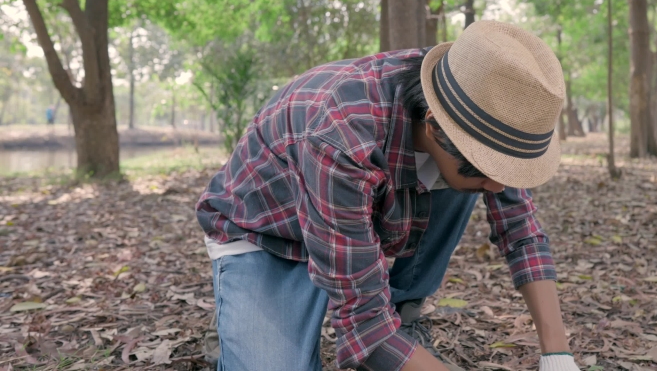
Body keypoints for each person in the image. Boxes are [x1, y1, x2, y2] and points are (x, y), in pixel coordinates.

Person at [196, 21, 580, 371]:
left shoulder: (482, 100)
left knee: (465, 181)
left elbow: (521, 232)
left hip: (354, 224)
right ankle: (239, 311)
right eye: (486, 169)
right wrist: (374, 332)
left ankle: (403, 316)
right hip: (268, 233)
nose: (499, 187)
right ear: (433, 126)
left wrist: (557, 354)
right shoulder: (342, 136)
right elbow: (364, 327)